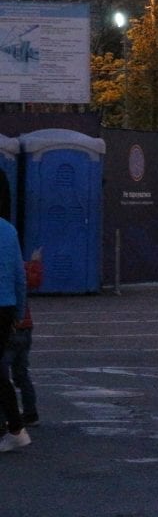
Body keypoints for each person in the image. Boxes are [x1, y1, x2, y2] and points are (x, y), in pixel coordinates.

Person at [0, 171, 29, 453]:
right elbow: (20, 276)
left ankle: (16, 426)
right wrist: (19, 311)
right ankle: (15, 426)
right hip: (5, 307)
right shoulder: (8, 230)